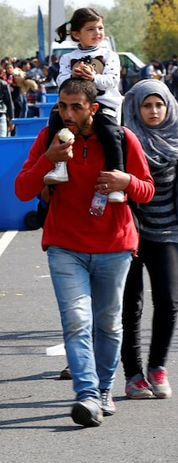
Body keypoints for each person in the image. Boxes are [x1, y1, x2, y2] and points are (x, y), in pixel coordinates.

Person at [15, 78, 154, 427]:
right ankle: (88, 395)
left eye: (76, 106)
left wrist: (126, 183)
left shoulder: (122, 139)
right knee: (77, 322)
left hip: (114, 246)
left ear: (93, 108)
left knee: (108, 323)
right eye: (63, 106)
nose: (68, 113)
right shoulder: (49, 140)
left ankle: (104, 390)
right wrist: (48, 159)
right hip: (65, 246)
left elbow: (147, 189)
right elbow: (20, 190)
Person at [120, 80, 178, 399]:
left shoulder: (176, 137)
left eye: (159, 105)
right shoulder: (124, 140)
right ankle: (133, 374)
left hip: (168, 232)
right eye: (146, 105)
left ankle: (157, 367)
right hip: (130, 231)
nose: (154, 111)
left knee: (169, 302)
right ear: (135, 108)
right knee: (131, 305)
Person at [49, 7, 127, 203]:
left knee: (110, 134)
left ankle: (116, 178)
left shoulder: (110, 55)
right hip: (76, 107)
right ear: (76, 34)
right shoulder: (67, 58)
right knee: (55, 119)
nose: (97, 33)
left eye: (100, 28)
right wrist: (72, 77)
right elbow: (60, 81)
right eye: (91, 29)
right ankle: (59, 166)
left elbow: (111, 81)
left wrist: (93, 77)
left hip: (103, 105)